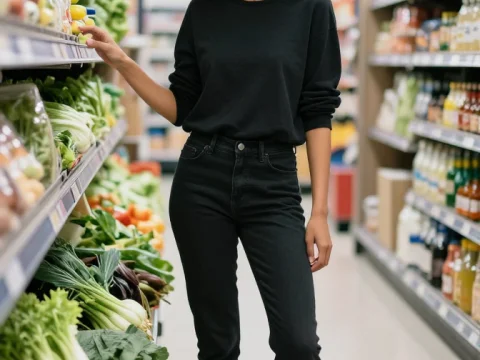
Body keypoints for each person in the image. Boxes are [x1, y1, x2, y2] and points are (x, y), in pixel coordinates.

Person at [81, 0, 341, 358]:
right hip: (202, 179)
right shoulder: (204, 7)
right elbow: (182, 107)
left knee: (298, 342)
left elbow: (318, 108)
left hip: (274, 183)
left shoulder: (310, 7)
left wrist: (321, 212)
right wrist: (123, 63)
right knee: (217, 344)